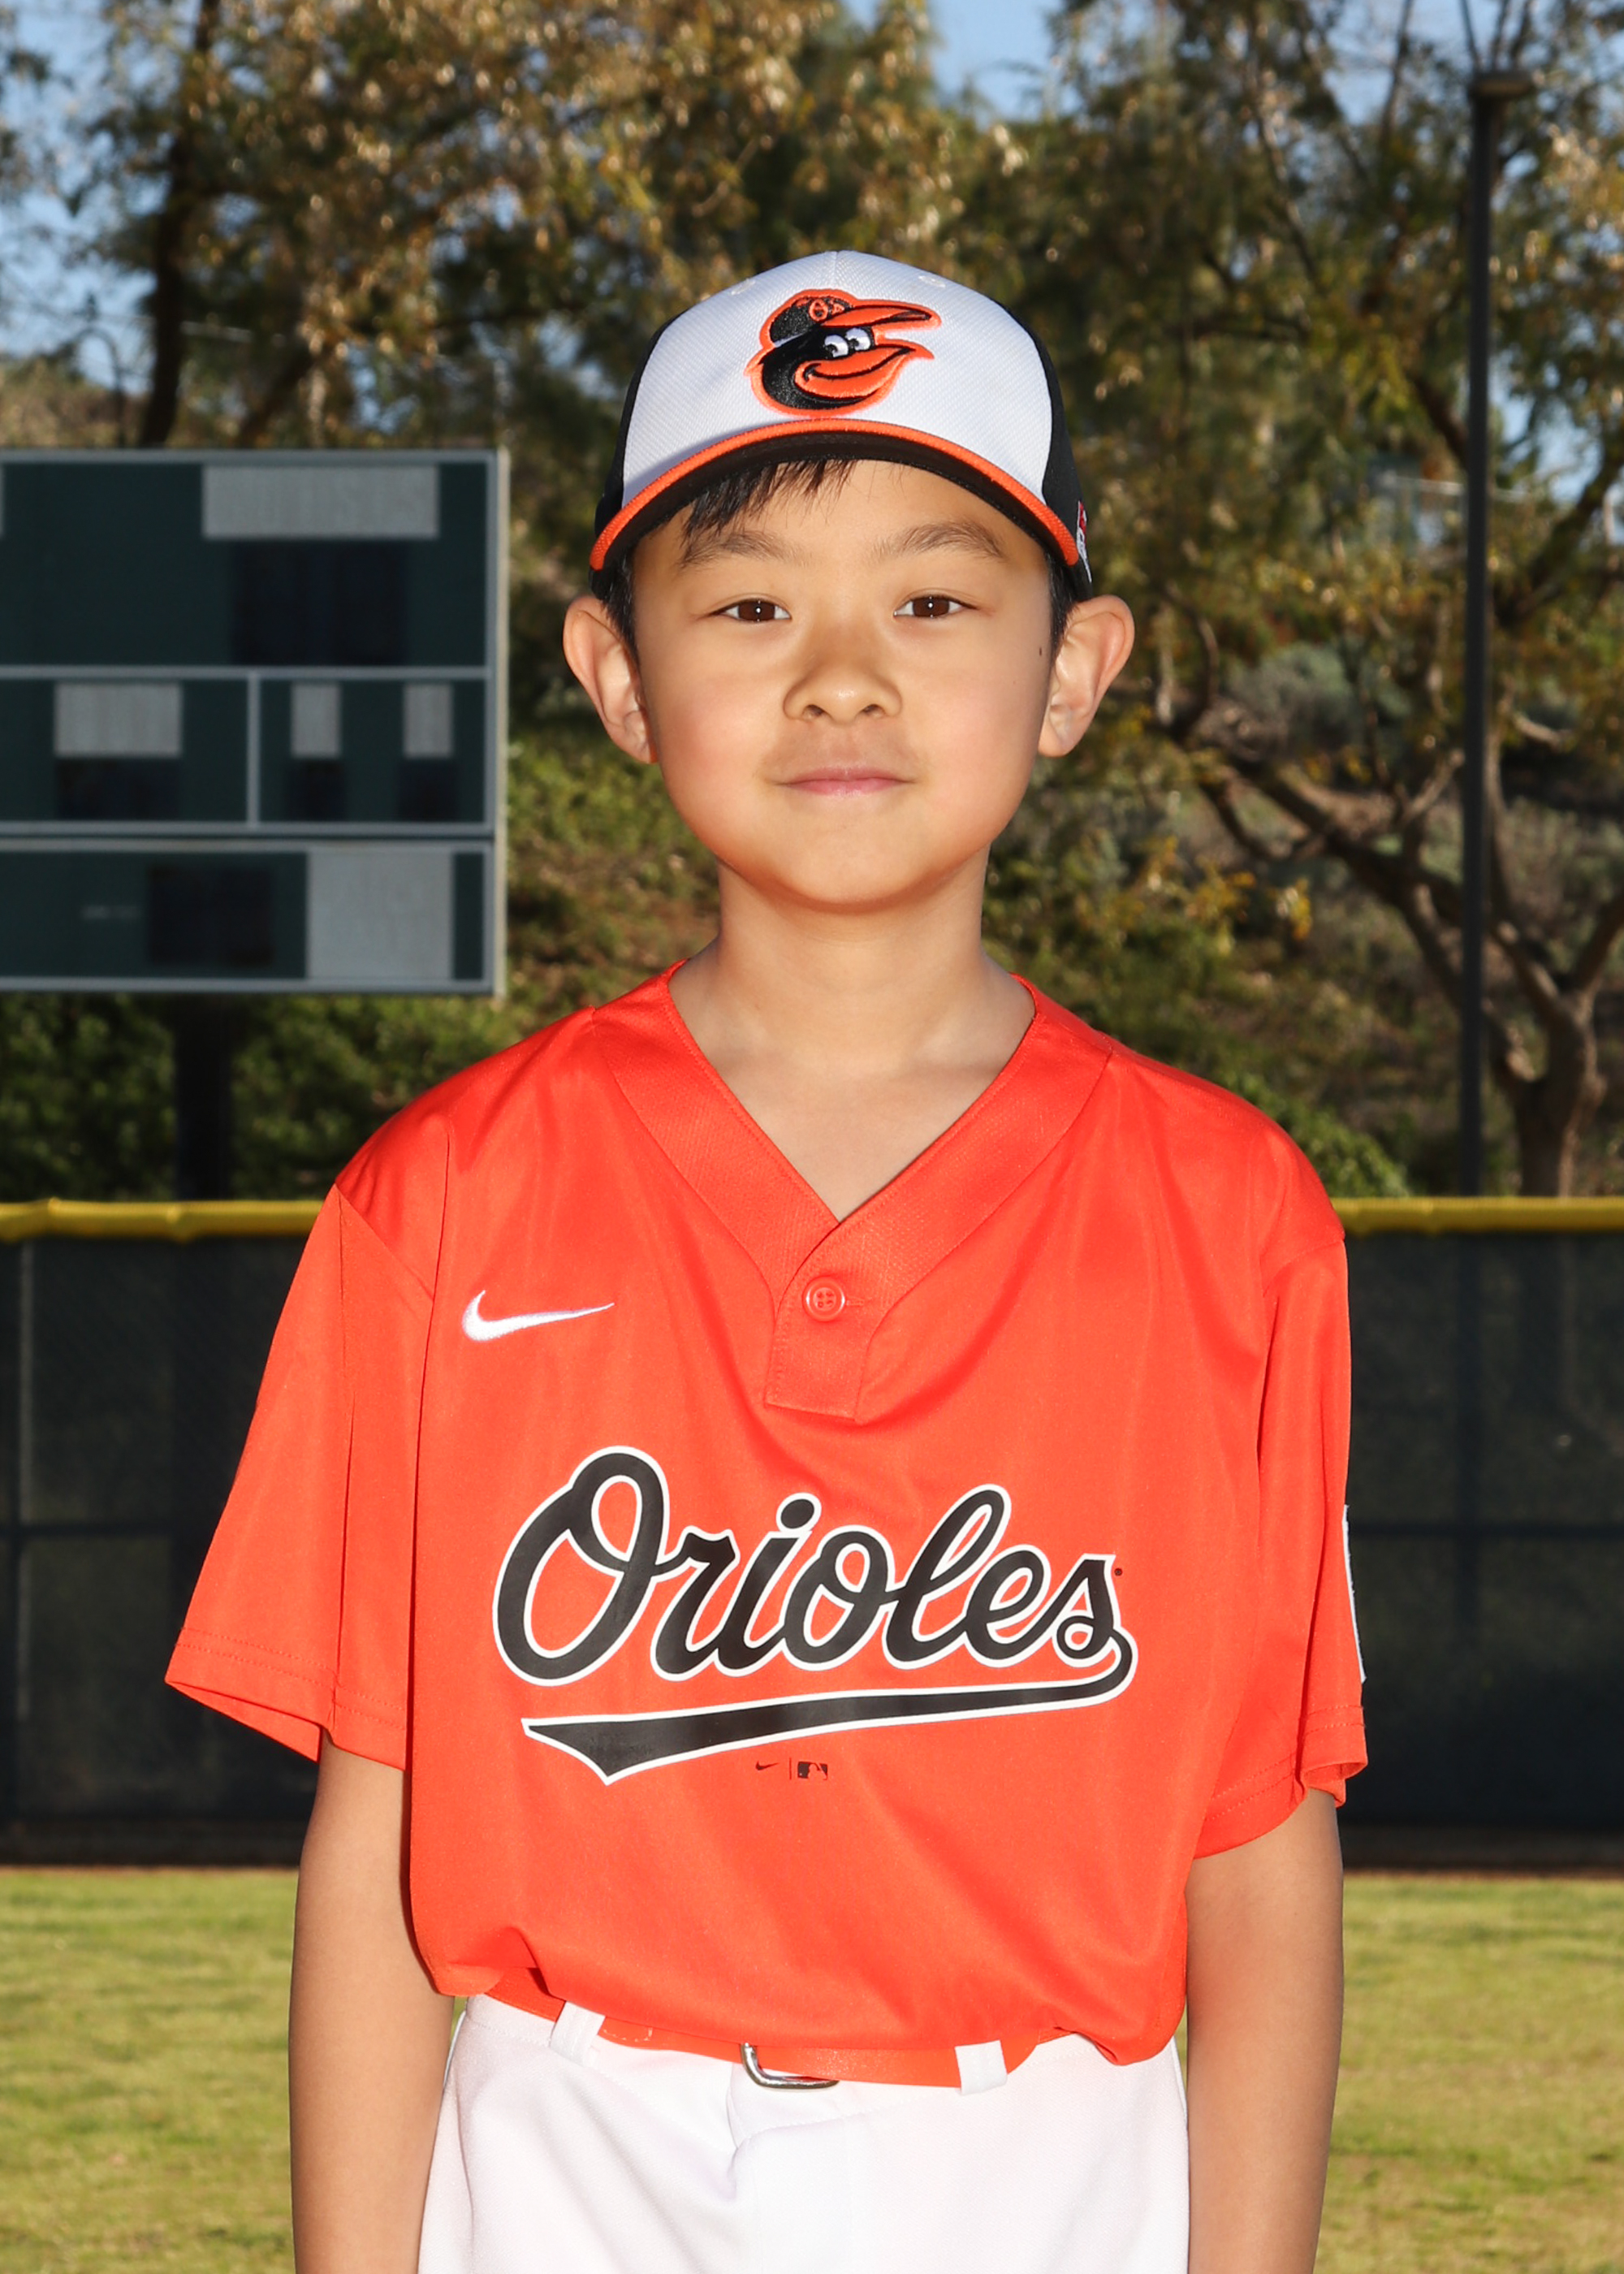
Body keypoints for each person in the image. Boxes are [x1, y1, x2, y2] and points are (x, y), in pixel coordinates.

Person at [168, 251, 1365, 2274]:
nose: (840, 676)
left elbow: (1257, 1847)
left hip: (1057, 2165)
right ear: (618, 675)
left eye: (934, 600)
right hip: (566, 2155)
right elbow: (375, 1842)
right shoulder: (439, 1193)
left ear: (1073, 669)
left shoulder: (1231, 1208)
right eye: (745, 606)